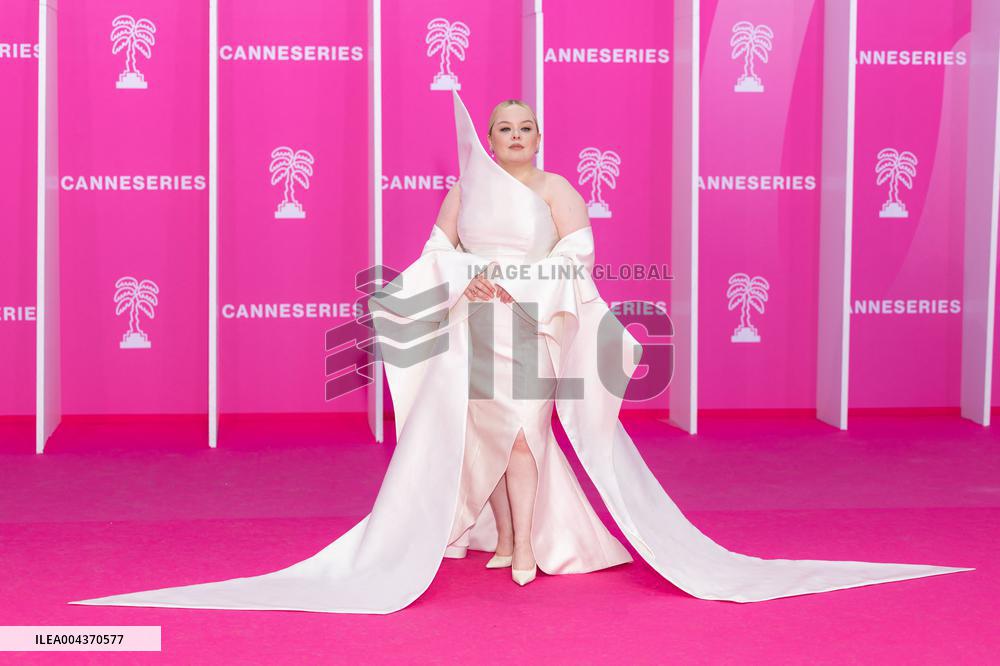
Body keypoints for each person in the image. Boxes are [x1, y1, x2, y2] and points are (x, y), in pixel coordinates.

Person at [68, 91, 972, 614]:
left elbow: (578, 259)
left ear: (541, 137)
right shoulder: (466, 193)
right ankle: (504, 538)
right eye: (504, 129)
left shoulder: (560, 191)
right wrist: (469, 281)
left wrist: (524, 288)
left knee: (532, 437)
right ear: (487, 139)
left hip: (532, 327)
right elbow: (435, 253)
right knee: (481, 438)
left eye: (526, 128)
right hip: (474, 327)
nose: (515, 139)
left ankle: (530, 549)